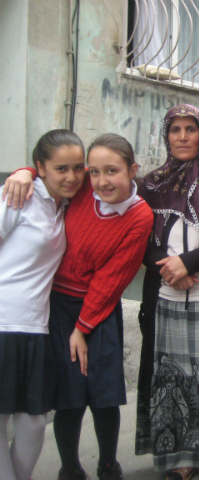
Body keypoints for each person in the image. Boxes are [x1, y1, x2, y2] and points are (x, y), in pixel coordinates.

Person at [4, 133, 154, 480]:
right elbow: (54, 174)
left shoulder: (138, 216)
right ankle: (70, 466)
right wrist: (25, 171)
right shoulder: (83, 187)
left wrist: (83, 327)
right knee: (68, 392)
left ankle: (107, 463)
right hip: (58, 306)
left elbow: (113, 277)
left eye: (112, 171)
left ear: (132, 170)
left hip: (98, 310)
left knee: (104, 392)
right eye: (95, 172)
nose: (102, 181)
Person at [134, 104, 199, 480]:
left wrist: (189, 263)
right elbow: (140, 238)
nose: (182, 137)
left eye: (190, 129)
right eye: (175, 129)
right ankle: (180, 460)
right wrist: (168, 267)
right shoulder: (151, 184)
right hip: (165, 297)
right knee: (170, 379)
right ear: (166, 135)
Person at [0, 130, 85, 480]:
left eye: (78, 168)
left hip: (37, 327)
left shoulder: (64, 202)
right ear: (41, 167)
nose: (72, 177)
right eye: (61, 168)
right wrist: (23, 175)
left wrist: (26, 170)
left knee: (34, 421)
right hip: (3, 323)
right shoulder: (16, 196)